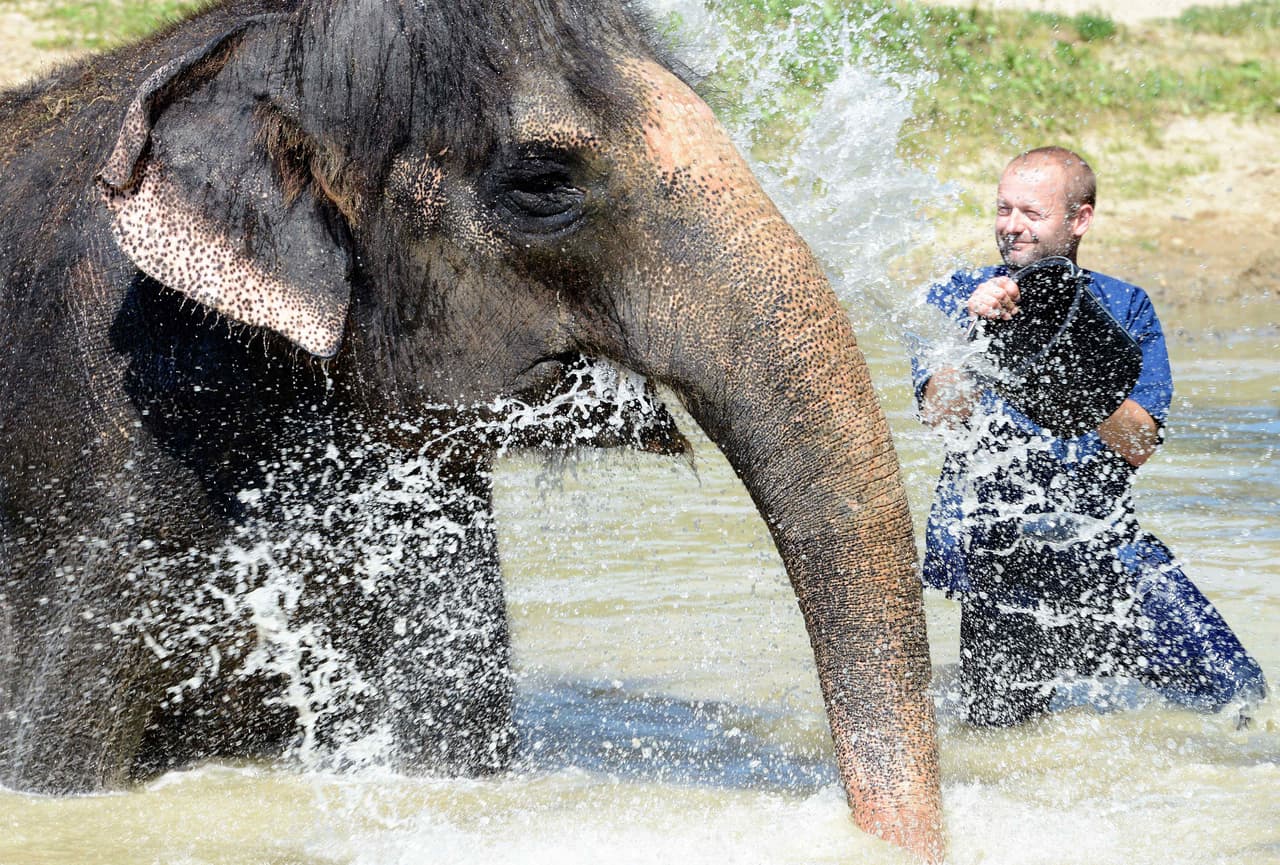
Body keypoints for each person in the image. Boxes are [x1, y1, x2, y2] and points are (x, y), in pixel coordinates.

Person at [912, 146, 1267, 727]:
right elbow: (942, 418)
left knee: (1240, 699)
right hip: (1005, 569)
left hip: (1108, 555)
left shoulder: (1126, 307)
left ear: (1080, 219)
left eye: (1032, 211)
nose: (1011, 226)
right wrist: (973, 342)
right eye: (1003, 208)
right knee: (1001, 739)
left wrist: (1078, 371)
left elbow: (1137, 446)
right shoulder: (957, 297)